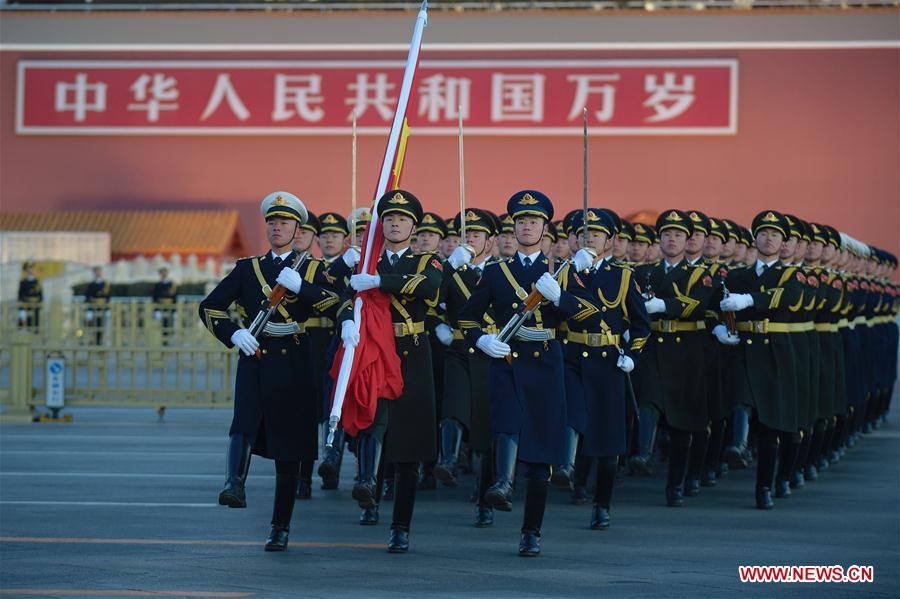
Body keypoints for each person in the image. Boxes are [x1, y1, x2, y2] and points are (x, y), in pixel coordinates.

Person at [199, 191, 340, 551]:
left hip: (295, 358)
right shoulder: (248, 268)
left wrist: (302, 288)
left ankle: (281, 526)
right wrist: (234, 333)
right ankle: (234, 483)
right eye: (272, 222)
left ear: (297, 229)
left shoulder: (311, 268)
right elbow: (210, 306)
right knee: (243, 421)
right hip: (256, 352)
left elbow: (336, 303)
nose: (277, 227)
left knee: (290, 446)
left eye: (285, 223)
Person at [458, 190, 575, 556]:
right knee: (506, 422)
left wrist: (561, 298)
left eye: (534, 221)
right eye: (521, 221)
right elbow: (467, 317)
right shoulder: (496, 272)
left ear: (545, 229)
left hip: (546, 362)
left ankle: (531, 531)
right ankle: (503, 484)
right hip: (507, 358)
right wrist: (482, 339)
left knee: (540, 447)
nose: (527, 226)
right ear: (513, 227)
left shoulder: (562, 272)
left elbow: (588, 314)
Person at [339, 189, 443, 553]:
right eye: (390, 218)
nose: (395, 223)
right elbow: (343, 297)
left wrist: (380, 281)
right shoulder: (366, 261)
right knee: (373, 420)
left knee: (408, 448)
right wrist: (346, 318)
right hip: (374, 350)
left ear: (414, 227)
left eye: (402, 218)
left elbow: (428, 287)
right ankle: (367, 486)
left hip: (411, 352)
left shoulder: (426, 261)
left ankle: (401, 526)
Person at [560, 208, 650, 529]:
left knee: (608, 440)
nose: (589, 240)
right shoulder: (563, 272)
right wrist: (570, 270)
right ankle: (567, 469)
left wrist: (632, 354)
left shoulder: (623, 276)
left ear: (609, 240)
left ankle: (602, 504)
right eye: (583, 234)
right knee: (572, 416)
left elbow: (641, 324)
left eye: (596, 234)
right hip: (572, 357)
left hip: (608, 361)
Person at [630, 210, 717, 507]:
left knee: (683, 422)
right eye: (667, 234)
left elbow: (698, 303)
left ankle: (676, 483)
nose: (672, 240)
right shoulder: (644, 272)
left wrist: (663, 305)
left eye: (678, 235)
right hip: (653, 345)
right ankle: (643, 453)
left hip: (687, 350)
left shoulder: (700, 274)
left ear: (687, 240)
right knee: (649, 398)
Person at [720, 210, 805, 510]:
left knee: (772, 427)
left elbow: (784, 297)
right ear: (754, 239)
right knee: (741, 399)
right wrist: (721, 327)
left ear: (783, 243)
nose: (768, 239)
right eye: (763, 233)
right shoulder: (737, 275)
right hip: (744, 349)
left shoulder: (792, 275)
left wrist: (749, 300)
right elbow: (720, 306)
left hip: (775, 353)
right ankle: (739, 445)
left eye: (775, 235)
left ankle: (766, 486)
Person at [433, 209, 498, 527]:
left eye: (477, 234)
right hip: (459, 349)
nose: (470, 239)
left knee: (486, 428)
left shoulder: (500, 271)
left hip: (492, 352)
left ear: (490, 241)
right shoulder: (452, 269)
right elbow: (427, 296)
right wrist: (448, 266)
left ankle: (485, 497)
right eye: (465, 234)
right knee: (453, 406)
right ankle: (448, 460)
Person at [84, 265, 111, 345]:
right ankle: (90, 338)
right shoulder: (91, 284)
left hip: (103, 307)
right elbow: (87, 295)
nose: (98, 273)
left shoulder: (105, 284)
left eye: (99, 271)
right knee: (89, 319)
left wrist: (102, 296)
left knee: (104, 321)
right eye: (97, 271)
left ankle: (102, 339)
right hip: (93, 307)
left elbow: (108, 296)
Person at [152, 267, 178, 344]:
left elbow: (174, 297)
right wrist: (156, 308)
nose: (163, 274)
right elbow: (155, 297)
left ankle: (168, 339)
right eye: (162, 272)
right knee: (160, 324)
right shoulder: (157, 285)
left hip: (170, 308)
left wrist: (174, 309)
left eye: (165, 272)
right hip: (160, 307)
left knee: (170, 323)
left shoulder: (172, 284)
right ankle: (161, 339)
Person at [17, 261, 42, 329]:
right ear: (26, 270)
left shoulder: (37, 282)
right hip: (25, 306)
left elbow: (40, 295)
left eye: (32, 268)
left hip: (35, 306)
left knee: (35, 322)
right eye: (29, 268)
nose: (30, 270)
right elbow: (20, 296)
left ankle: (35, 330)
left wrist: (36, 302)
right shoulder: (23, 282)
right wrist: (27, 301)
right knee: (22, 314)